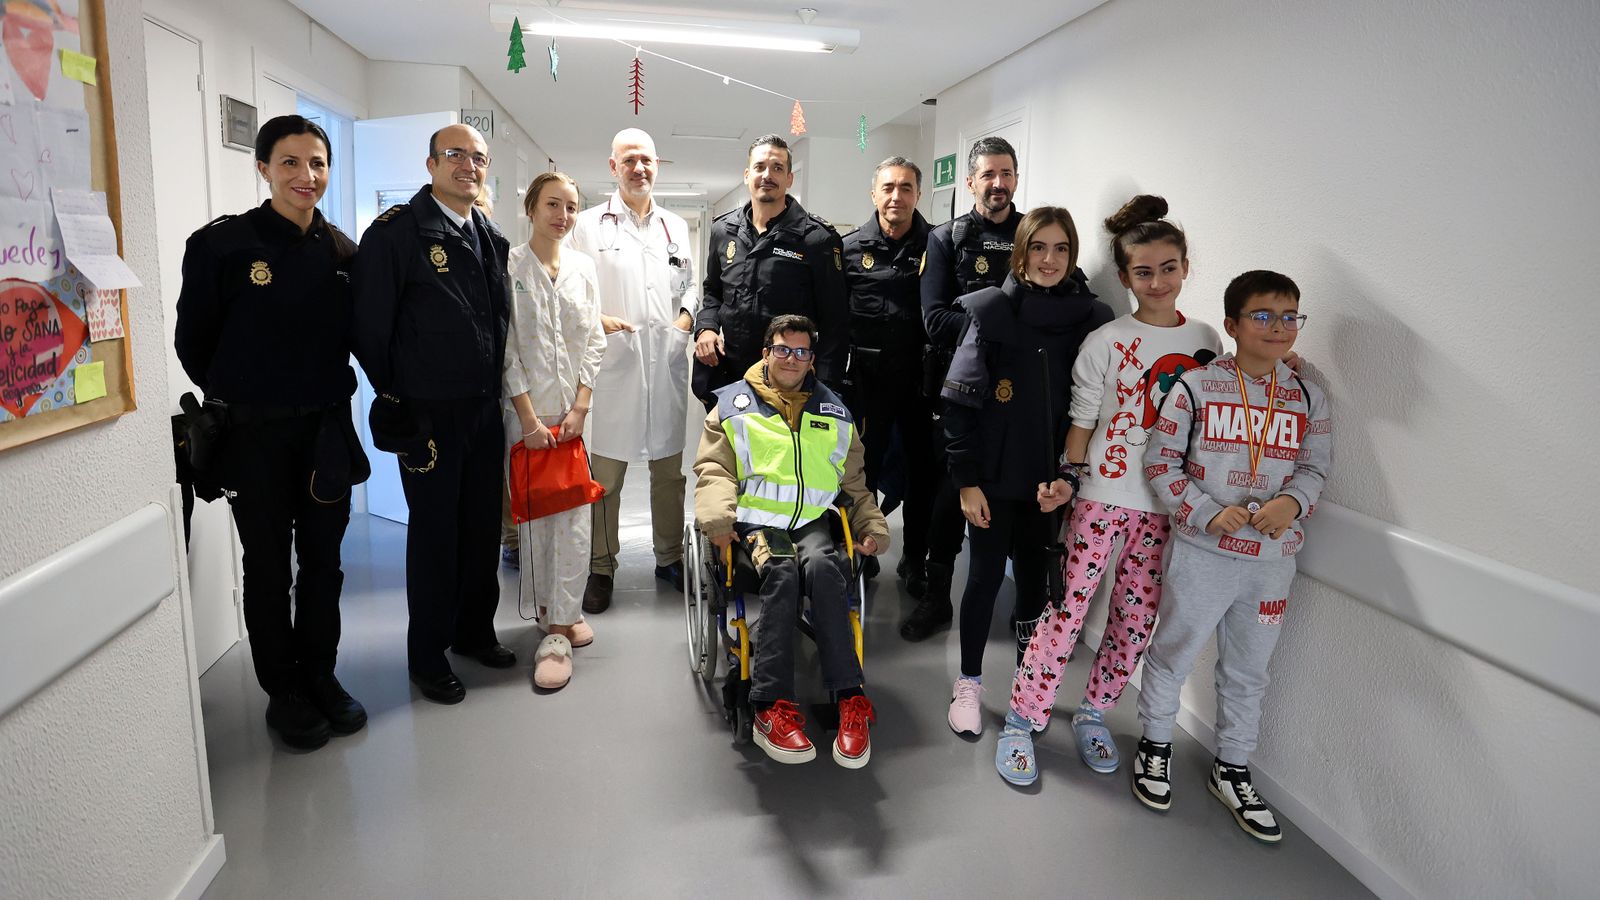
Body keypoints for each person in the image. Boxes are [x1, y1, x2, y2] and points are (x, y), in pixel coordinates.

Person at [996, 195, 1222, 786]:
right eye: (1143, 271)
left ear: (1185, 268)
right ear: (1124, 278)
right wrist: (1067, 481)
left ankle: (1095, 711)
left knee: (1136, 619)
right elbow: (1082, 422)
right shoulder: (1105, 339)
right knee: (1065, 611)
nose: (1157, 281)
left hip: (1166, 508)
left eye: (1168, 268)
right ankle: (1023, 718)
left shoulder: (1206, 341)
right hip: (1100, 497)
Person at [174, 115, 367, 750]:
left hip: (325, 434)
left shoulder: (342, 253)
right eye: (290, 162)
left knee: (324, 564)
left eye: (317, 163)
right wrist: (250, 390)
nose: (306, 176)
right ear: (263, 168)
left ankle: (321, 676)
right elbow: (193, 343)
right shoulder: (223, 246)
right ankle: (283, 690)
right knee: (266, 567)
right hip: (253, 439)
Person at [1134, 270, 1331, 843]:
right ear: (1232, 325)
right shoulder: (1196, 387)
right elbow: (1159, 461)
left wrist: (1292, 503)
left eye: (1289, 316)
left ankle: (1233, 767)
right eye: (1262, 316)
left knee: (1248, 671)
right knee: (1174, 652)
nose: (1278, 327)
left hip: (1272, 563)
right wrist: (1204, 511)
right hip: (1203, 553)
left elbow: (1315, 467)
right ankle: (1155, 744)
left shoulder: (1307, 395)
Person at [352, 123, 514, 705]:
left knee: (481, 530)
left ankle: (474, 632)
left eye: (478, 157)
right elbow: (369, 329)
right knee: (435, 535)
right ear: (431, 165)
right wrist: (399, 397)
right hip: (428, 416)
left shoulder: (488, 235)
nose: (468, 165)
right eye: (455, 155)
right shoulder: (396, 234)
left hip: (483, 410)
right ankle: (427, 655)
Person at [906, 137, 1089, 641]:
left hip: (1025, 399)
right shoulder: (947, 238)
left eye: (1006, 173)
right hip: (963, 391)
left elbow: (1073, 299)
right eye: (988, 174)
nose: (998, 183)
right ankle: (936, 597)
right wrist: (996, 325)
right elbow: (934, 319)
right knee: (950, 499)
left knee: (1027, 514)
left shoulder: (1035, 234)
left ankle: (1029, 608)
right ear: (971, 181)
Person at [939, 206, 1112, 736]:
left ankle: (1026, 685)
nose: (1049, 259)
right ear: (1020, 252)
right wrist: (967, 482)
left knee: (1037, 586)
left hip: (1052, 483)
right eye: (1038, 247)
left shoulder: (1094, 319)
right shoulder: (991, 310)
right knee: (985, 578)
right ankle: (969, 682)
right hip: (993, 479)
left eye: (1061, 248)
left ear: (1073, 255)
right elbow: (959, 404)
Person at [693, 315, 889, 767]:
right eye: (783, 349)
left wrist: (871, 528)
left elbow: (854, 485)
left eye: (801, 352)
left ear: (811, 360)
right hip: (758, 524)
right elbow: (714, 470)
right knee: (781, 570)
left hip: (813, 523)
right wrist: (718, 520)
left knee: (825, 568)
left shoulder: (835, 413)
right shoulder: (733, 406)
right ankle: (770, 706)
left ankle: (850, 698)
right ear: (766, 353)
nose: (791, 359)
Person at [566, 128, 698, 614]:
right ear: (613, 167)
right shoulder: (587, 225)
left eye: (646, 159)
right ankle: (601, 567)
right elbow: (571, 287)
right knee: (605, 478)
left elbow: (690, 284)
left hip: (665, 364)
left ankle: (669, 557)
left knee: (669, 474)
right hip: (612, 367)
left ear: (657, 164)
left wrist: (685, 319)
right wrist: (596, 318)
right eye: (629, 160)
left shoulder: (674, 225)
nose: (638, 168)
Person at [503, 172, 606, 691]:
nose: (562, 216)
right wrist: (527, 418)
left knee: (575, 522)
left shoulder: (584, 268)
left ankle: (563, 622)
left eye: (570, 206)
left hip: (572, 418)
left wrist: (581, 407)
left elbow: (594, 340)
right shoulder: (508, 266)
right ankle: (550, 619)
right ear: (530, 208)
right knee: (539, 523)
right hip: (527, 416)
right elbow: (506, 347)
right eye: (552, 204)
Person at [693, 135, 848, 402]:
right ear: (747, 175)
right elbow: (713, 291)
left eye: (777, 168)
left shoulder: (817, 238)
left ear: (789, 178)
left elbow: (835, 322)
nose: (767, 175)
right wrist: (706, 327)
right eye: (760, 167)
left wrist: (824, 388)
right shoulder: (723, 230)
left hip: (790, 382)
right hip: (732, 377)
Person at [840, 157, 934, 588]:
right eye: (889, 187)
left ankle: (915, 559)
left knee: (922, 476)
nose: (897, 196)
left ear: (918, 194)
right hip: (867, 384)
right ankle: (865, 551)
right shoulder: (848, 248)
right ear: (874, 194)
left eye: (906, 187)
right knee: (863, 472)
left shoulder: (938, 246)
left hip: (921, 384)